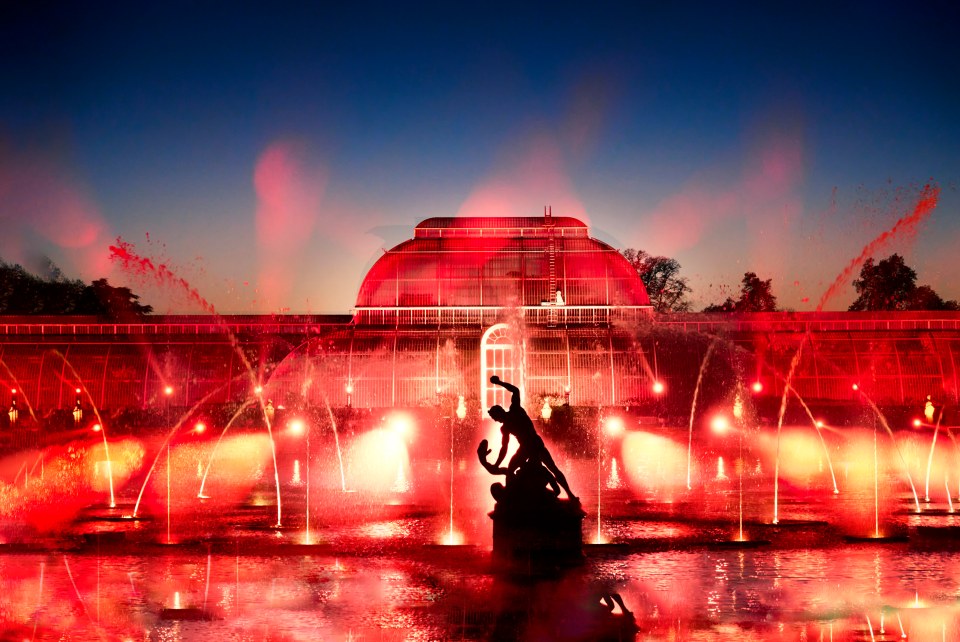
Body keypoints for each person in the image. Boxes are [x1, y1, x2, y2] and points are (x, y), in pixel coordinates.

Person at [487, 375, 578, 501]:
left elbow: (515, 390)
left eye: (495, 417)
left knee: (552, 468)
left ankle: (570, 494)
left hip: (535, 444)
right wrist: (496, 464)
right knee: (511, 468)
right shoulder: (505, 428)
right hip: (524, 448)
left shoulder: (515, 410)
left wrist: (500, 382)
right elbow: (504, 448)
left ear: (499, 412)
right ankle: (511, 498)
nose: (495, 420)